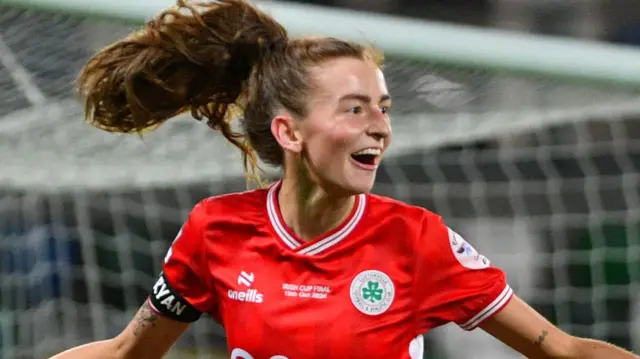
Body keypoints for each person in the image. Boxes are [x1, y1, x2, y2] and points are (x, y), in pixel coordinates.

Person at [51, 1, 639, 358]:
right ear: (290, 133)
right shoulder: (216, 230)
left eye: (384, 107)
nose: (381, 127)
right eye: (355, 108)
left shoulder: (417, 240)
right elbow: (129, 351)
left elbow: (560, 350)